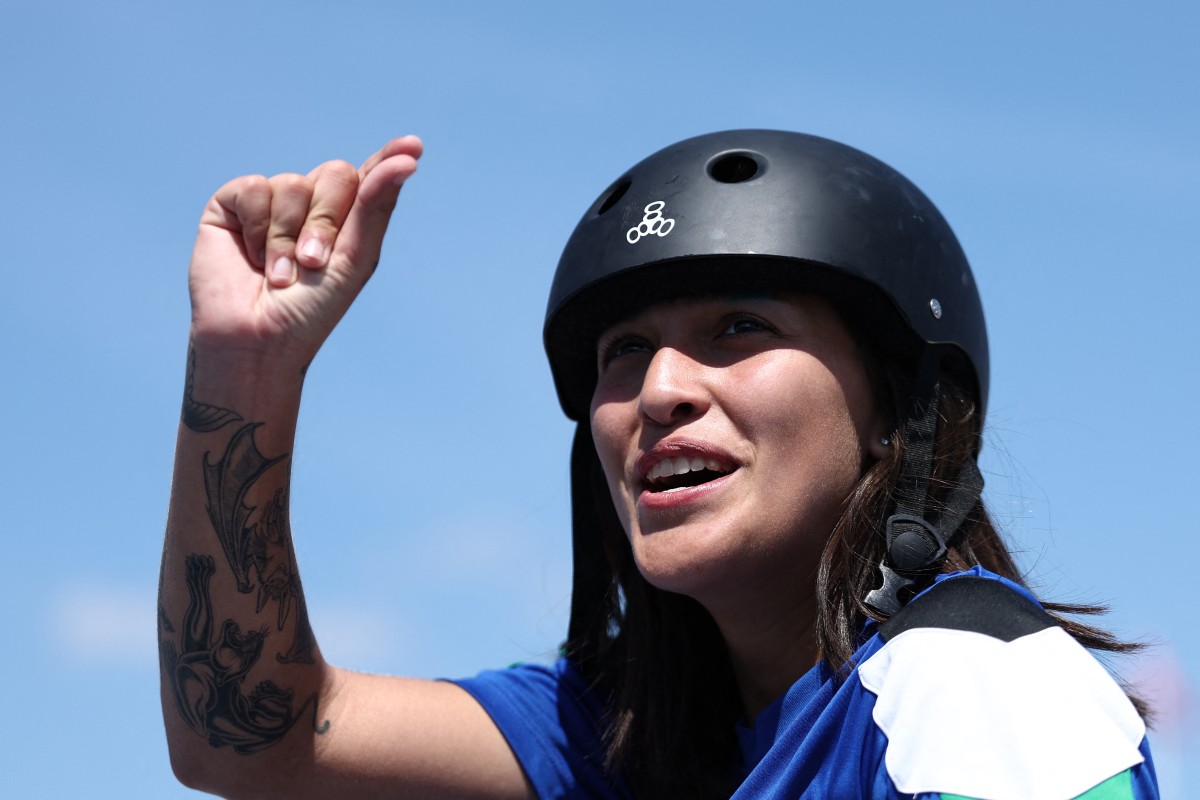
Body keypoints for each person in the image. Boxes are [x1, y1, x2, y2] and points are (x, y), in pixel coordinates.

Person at [159, 130, 1159, 799]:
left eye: (740, 325)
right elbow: (248, 736)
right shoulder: (611, 729)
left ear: (901, 409)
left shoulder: (975, 678)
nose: (662, 386)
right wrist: (246, 366)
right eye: (623, 351)